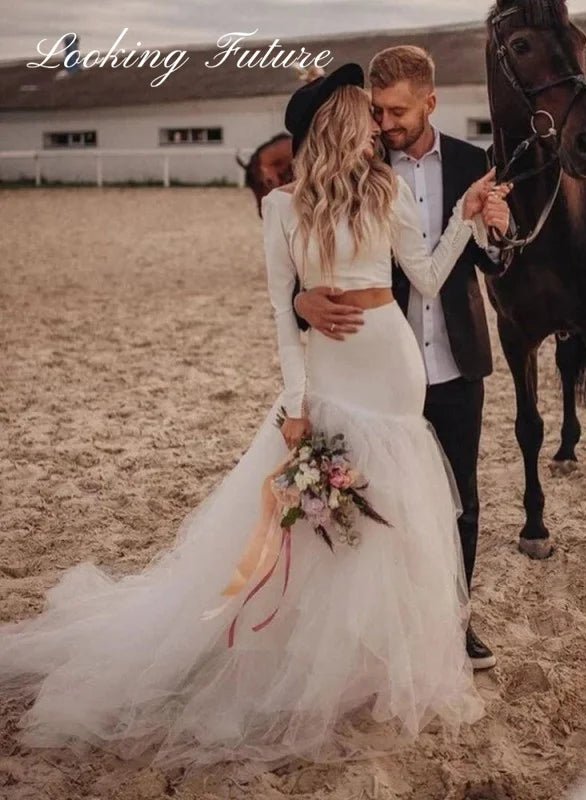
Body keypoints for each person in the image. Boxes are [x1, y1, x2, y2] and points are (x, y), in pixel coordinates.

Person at [0, 63, 511, 771]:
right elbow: (282, 314)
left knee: (388, 508)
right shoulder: (281, 208)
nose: (375, 125)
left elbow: (424, 277)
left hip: (394, 370)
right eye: (365, 114)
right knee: (320, 517)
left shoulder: (387, 189)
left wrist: (462, 217)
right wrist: (296, 406)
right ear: (340, 123)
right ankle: (310, 659)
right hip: (329, 373)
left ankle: (371, 663)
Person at [294, 46, 509, 670]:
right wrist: (302, 299)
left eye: (396, 111)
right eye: (378, 112)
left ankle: (457, 622)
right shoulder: (362, 163)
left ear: (430, 103)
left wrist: (494, 227)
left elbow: (497, 260)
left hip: (455, 361)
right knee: (375, 498)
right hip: (374, 368)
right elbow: (313, 252)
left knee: (457, 498)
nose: (385, 124)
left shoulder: (475, 161)